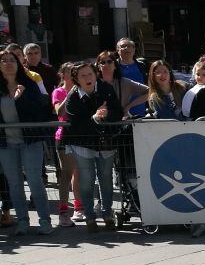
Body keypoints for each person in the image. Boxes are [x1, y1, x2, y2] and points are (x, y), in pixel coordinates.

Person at [62, 61, 124, 233]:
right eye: (83, 75)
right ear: (76, 79)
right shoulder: (73, 96)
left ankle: (107, 214)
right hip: (82, 143)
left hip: (105, 141)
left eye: (90, 74)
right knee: (87, 180)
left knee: (106, 178)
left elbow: (118, 112)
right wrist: (95, 118)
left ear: (95, 74)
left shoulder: (106, 89)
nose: (88, 78)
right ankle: (89, 216)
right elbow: (74, 123)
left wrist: (107, 114)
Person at [0, 50, 54, 235]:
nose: (8, 63)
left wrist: (21, 97)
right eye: (3, 60)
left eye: (12, 60)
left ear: (19, 63)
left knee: (34, 181)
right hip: (6, 143)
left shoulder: (29, 84)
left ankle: (45, 220)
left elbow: (41, 109)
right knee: (14, 183)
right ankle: (22, 221)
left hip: (30, 140)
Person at [51, 62, 80, 227]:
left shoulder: (81, 89)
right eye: (70, 71)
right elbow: (59, 112)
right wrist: (70, 93)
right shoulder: (59, 91)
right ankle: (63, 211)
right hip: (64, 136)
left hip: (81, 136)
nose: (74, 74)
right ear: (63, 74)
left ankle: (79, 207)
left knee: (80, 174)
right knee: (66, 174)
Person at [97, 51, 149, 117]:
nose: (106, 65)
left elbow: (151, 92)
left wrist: (129, 106)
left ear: (115, 66)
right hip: (100, 122)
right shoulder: (94, 83)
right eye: (103, 62)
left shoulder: (125, 82)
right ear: (99, 67)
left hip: (121, 121)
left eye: (109, 62)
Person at [115, 38, 148, 116]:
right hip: (121, 111)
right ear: (118, 50)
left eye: (129, 46)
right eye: (123, 46)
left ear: (134, 49)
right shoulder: (114, 66)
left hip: (141, 110)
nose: (126, 48)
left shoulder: (142, 65)